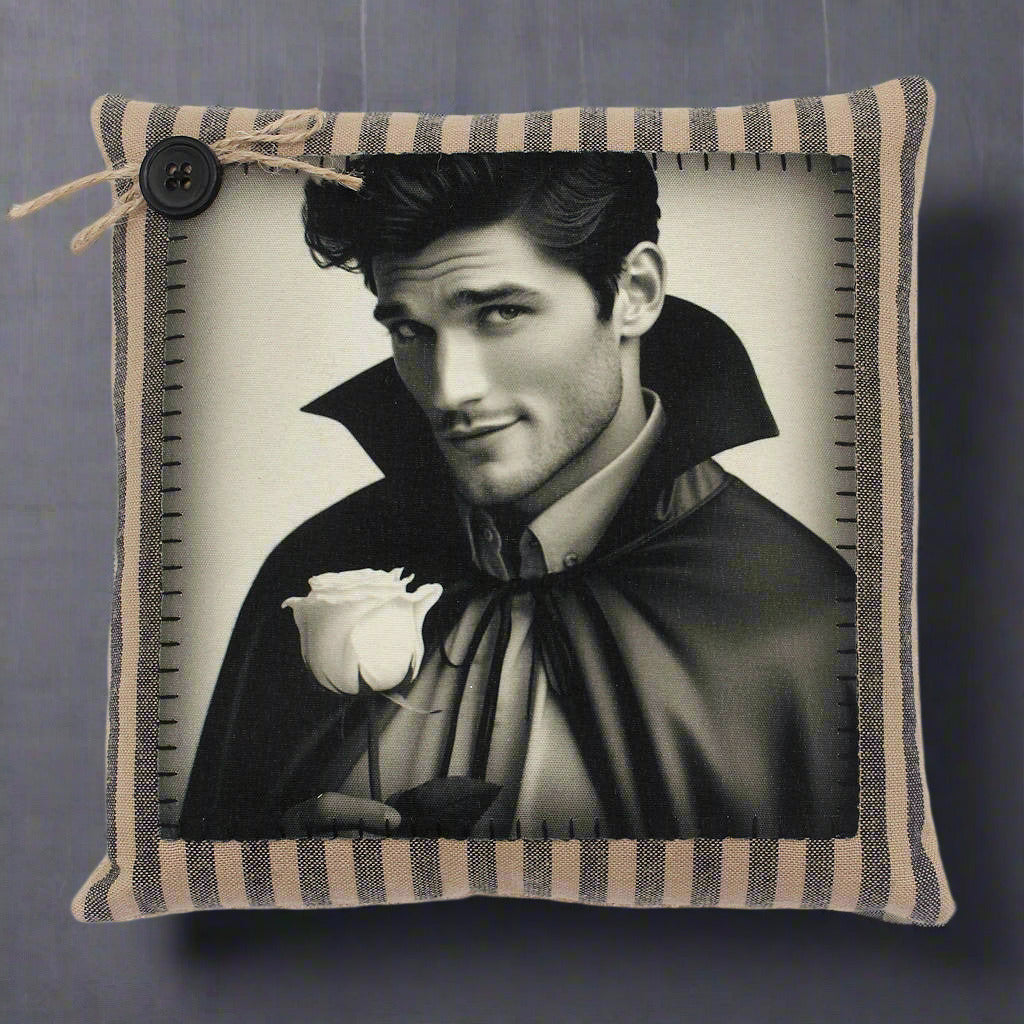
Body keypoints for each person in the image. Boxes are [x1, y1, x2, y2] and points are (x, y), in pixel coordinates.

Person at [177, 152, 858, 842]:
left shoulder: (805, 614)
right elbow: (210, 894)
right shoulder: (321, 567)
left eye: (500, 312)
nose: (450, 390)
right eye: (409, 331)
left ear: (636, 292)